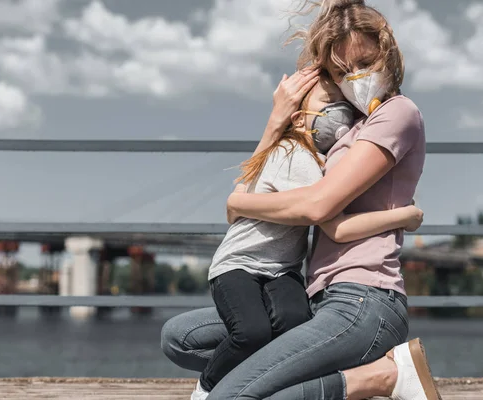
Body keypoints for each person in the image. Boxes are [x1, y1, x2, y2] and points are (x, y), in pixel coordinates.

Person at [162, 0, 442, 399]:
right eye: (342, 71)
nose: (356, 77)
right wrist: (276, 122)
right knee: (180, 337)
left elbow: (315, 208)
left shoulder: (397, 114)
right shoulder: (342, 130)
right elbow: (261, 187)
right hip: (314, 300)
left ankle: (382, 377)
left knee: (232, 395)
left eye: (365, 61)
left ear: (387, 51)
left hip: (362, 299)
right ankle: (331, 378)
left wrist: (239, 202)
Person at [191, 76, 424, 400]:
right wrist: (405, 216)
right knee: (241, 334)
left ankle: (358, 377)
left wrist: (238, 201)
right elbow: (322, 214)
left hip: (286, 274)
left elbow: (249, 194)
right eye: (328, 106)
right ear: (300, 119)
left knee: (277, 334)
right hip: (244, 267)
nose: (338, 112)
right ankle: (245, 379)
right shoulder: (299, 157)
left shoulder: (326, 157)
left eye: (342, 105)